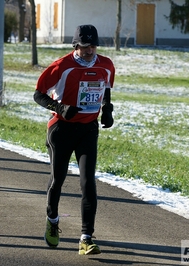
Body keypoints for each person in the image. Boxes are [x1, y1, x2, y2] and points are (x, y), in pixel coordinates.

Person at [33, 24, 115, 255]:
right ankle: (53, 219)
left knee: (88, 182)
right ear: (76, 45)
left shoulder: (106, 64)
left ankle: (86, 238)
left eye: (93, 46)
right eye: (85, 46)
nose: (90, 51)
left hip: (88, 129)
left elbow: (105, 87)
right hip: (61, 129)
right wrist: (59, 107)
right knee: (58, 179)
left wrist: (107, 108)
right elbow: (38, 94)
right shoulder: (62, 66)